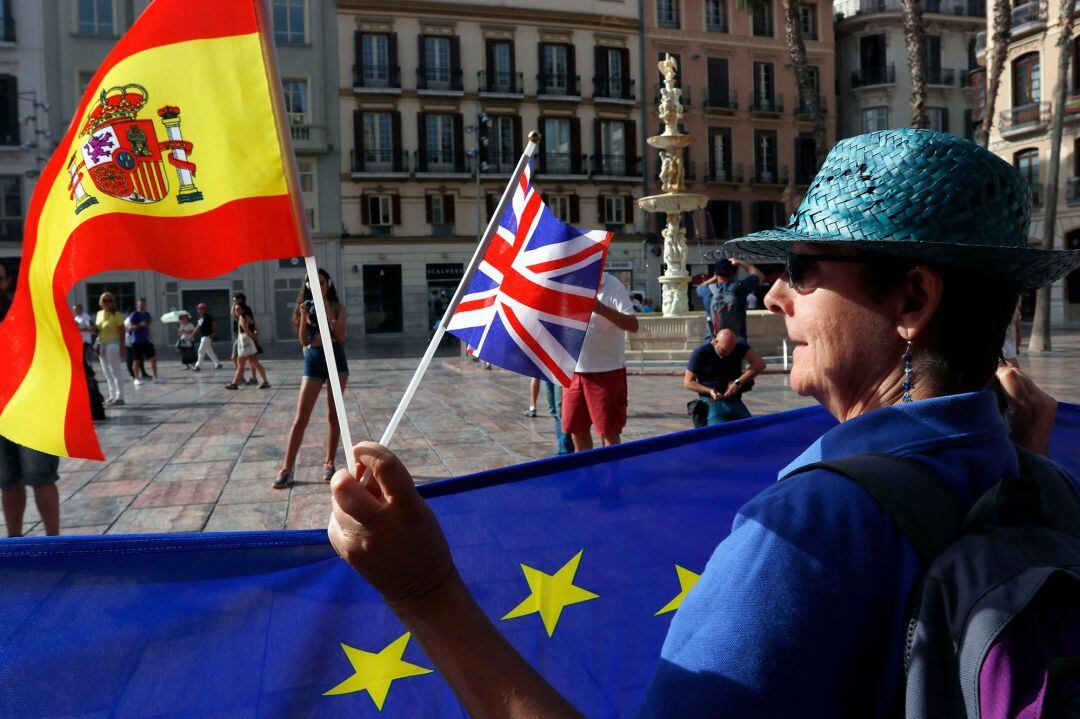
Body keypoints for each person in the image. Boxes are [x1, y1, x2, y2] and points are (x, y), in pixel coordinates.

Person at [323, 130, 1080, 717]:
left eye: (806, 268)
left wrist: (425, 590)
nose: (777, 295)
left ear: (912, 299)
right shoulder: (1041, 479)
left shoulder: (815, 527)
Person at [0, 261, 62, 537]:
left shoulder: (26, 314)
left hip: (32, 408)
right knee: (7, 481)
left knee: (41, 476)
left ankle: (54, 541)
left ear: (6, 281)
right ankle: (15, 544)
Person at [275, 268, 348, 489]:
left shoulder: (337, 307)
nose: (317, 286)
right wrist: (305, 317)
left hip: (335, 359)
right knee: (300, 418)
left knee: (333, 416)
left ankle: (329, 462)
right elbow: (304, 341)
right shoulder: (304, 308)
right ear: (306, 286)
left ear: (329, 285)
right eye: (312, 282)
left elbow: (341, 336)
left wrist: (326, 310)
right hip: (314, 359)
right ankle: (287, 468)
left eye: (322, 282)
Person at [562, 271, 639, 450]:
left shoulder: (612, 285)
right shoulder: (569, 284)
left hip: (607, 372)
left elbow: (633, 325)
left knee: (608, 430)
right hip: (573, 371)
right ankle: (587, 473)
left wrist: (600, 308)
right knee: (575, 428)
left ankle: (611, 476)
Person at [683, 328, 766, 426]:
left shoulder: (739, 347)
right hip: (711, 401)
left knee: (751, 429)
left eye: (731, 349)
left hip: (734, 400)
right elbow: (688, 382)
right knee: (720, 430)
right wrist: (709, 391)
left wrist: (737, 383)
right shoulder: (701, 352)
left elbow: (760, 364)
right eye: (724, 350)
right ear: (715, 341)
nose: (728, 353)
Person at [697, 257, 764, 341]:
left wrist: (714, 278)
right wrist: (741, 262)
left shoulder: (706, 290)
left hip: (713, 341)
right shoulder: (740, 287)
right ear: (732, 273)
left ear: (716, 273)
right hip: (737, 341)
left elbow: (699, 288)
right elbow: (760, 275)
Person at [224, 302, 270, 390]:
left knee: (240, 364)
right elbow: (256, 329)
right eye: (236, 309)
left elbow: (246, 330)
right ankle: (265, 381)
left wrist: (253, 337)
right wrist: (256, 339)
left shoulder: (241, 318)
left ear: (243, 310)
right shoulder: (250, 318)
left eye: (238, 309)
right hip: (250, 344)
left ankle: (234, 383)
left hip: (244, 343)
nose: (236, 310)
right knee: (255, 363)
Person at [93, 292, 126, 406]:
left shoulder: (116, 315)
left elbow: (122, 331)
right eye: (105, 300)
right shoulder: (99, 314)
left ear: (113, 302)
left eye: (110, 300)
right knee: (106, 372)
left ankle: (120, 397)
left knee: (115, 371)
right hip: (101, 344)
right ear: (101, 302)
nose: (107, 303)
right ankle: (112, 395)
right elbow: (98, 329)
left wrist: (122, 347)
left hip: (113, 344)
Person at [126, 298, 162, 385]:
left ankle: (155, 377)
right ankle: (136, 378)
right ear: (138, 305)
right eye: (140, 304)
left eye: (144, 304)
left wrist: (151, 338)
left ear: (146, 305)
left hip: (146, 340)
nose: (142, 305)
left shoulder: (147, 314)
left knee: (153, 358)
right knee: (137, 360)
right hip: (137, 341)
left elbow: (148, 327)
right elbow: (130, 327)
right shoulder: (135, 314)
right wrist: (139, 325)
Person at [230, 293, 260, 385]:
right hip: (240, 336)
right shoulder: (237, 309)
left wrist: (254, 335)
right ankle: (243, 378)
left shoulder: (245, 309)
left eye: (236, 299)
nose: (234, 302)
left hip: (244, 337)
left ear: (240, 300)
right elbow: (232, 313)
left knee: (249, 360)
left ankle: (244, 379)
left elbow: (251, 322)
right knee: (250, 360)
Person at [192, 303, 222, 371]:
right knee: (209, 351)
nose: (198, 310)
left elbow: (214, 324)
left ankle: (198, 366)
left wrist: (214, 333)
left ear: (204, 309)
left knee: (201, 350)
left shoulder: (208, 316)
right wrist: (192, 334)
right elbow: (198, 326)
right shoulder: (200, 317)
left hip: (208, 335)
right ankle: (217, 363)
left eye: (200, 308)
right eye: (198, 308)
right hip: (203, 336)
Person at [72, 303, 96, 368]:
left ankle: (90, 374)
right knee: (81, 359)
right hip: (79, 340)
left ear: (80, 309)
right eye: (74, 310)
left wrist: (79, 329)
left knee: (86, 358)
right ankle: (87, 373)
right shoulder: (76, 318)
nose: (74, 311)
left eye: (76, 309)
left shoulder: (86, 317)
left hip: (86, 340)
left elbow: (90, 328)